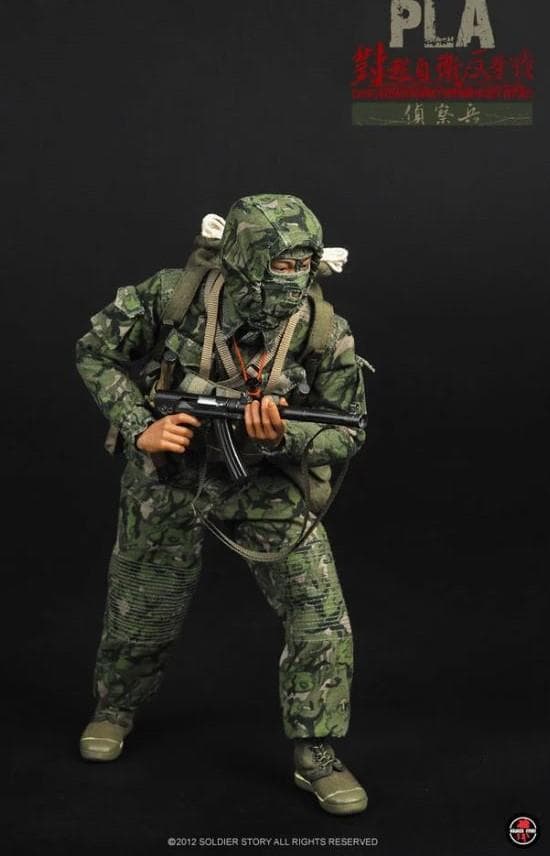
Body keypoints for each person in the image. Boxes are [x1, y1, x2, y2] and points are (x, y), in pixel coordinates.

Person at [75, 193, 371, 815]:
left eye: (303, 267)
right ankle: (115, 707)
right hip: (170, 475)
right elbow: (95, 351)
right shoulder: (173, 297)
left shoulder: (321, 329)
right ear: (242, 259)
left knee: (319, 611)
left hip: (261, 479)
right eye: (280, 266)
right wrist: (141, 426)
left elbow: (347, 430)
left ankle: (316, 750)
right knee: (143, 605)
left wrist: (282, 436)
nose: (293, 281)